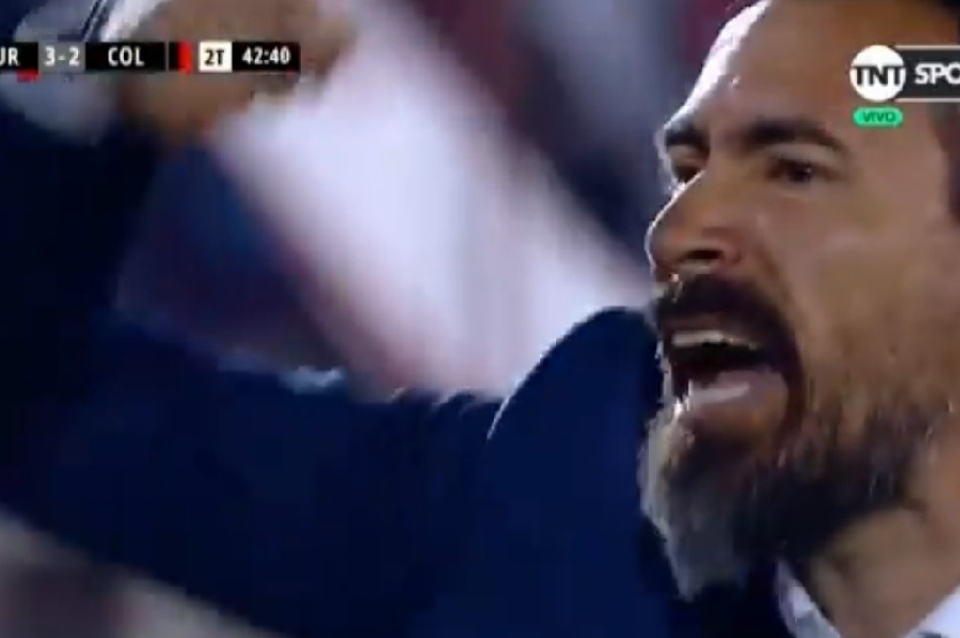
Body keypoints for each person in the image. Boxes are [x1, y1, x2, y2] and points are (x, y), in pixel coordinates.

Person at [5, 1, 960, 638]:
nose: (679, 233)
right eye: (687, 172)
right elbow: (42, 412)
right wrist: (98, 61)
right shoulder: (576, 501)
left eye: (793, 170)